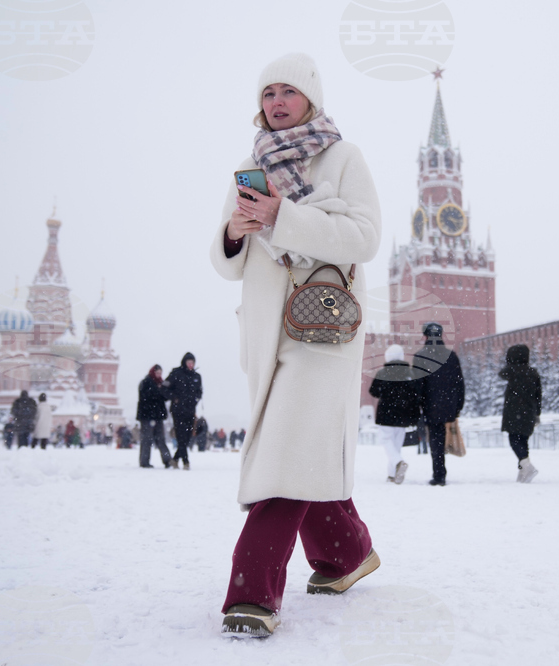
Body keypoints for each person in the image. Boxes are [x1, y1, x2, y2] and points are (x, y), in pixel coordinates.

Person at [210, 53, 382, 637]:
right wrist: (234, 232)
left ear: (311, 98)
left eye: (288, 91)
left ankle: (252, 593)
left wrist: (286, 215)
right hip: (266, 332)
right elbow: (227, 264)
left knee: (283, 453)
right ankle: (346, 552)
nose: (277, 102)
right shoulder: (248, 165)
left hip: (322, 329)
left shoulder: (343, 157)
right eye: (267, 93)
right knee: (302, 445)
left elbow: (364, 236)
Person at [411, 322, 465, 487]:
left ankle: (439, 474)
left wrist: (418, 405)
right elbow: (459, 383)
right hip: (448, 405)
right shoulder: (451, 356)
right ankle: (440, 470)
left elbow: (417, 385)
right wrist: (458, 406)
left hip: (430, 405)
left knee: (435, 438)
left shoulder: (421, 356)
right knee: (441, 436)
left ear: (425, 336)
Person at [369, 344, 421, 484]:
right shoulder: (410, 373)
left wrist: (386, 392)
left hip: (386, 414)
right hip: (403, 415)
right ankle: (392, 475)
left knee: (386, 441)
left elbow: (373, 391)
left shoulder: (383, 373)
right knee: (396, 445)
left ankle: (398, 463)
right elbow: (416, 394)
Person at [499, 344, 542, 483]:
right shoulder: (533, 373)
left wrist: (511, 363)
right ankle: (523, 471)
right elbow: (538, 395)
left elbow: (502, 373)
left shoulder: (512, 371)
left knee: (514, 439)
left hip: (514, 411)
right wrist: (537, 413)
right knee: (523, 440)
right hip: (529, 411)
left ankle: (526, 466)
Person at [163, 353, 202, 470]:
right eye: (188, 362)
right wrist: (174, 398)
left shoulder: (197, 376)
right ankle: (186, 461)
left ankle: (175, 459)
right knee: (180, 436)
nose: (191, 365)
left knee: (188, 436)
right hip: (178, 410)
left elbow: (199, 392)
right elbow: (164, 388)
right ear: (184, 362)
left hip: (190, 411)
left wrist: (195, 400)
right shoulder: (176, 374)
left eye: (192, 362)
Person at [137, 364, 173, 469]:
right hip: (147, 416)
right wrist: (159, 390)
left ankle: (167, 460)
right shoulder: (146, 382)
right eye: (157, 373)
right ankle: (144, 461)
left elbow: (165, 397)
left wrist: (164, 389)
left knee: (161, 439)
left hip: (158, 416)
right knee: (147, 439)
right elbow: (146, 397)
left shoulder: (161, 383)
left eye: (160, 373)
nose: (159, 375)